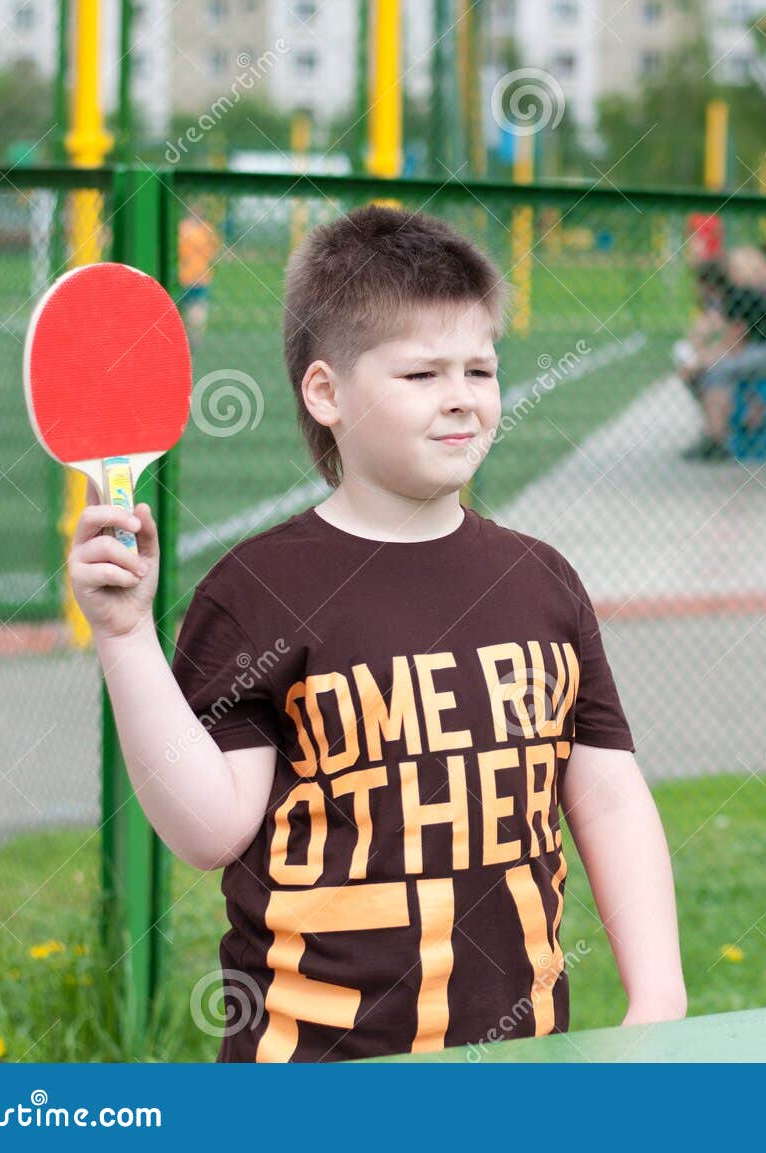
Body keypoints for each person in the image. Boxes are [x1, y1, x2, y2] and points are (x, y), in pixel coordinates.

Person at [66, 205, 686, 1061]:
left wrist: (658, 991)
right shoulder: (254, 593)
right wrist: (125, 634)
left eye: (480, 368)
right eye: (422, 373)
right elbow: (208, 831)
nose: (461, 396)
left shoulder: (542, 582)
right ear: (326, 393)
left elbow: (607, 795)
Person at [679, 247, 766, 462]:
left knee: (719, 372)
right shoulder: (731, 297)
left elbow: (734, 346)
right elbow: (720, 337)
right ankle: (724, 425)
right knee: (708, 373)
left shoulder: (742, 295)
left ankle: (718, 440)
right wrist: (701, 357)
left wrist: (701, 361)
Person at [176, 200, 220, 348]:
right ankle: (182, 339)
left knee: (197, 315)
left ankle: (193, 341)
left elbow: (214, 250)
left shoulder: (207, 229)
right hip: (182, 277)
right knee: (181, 313)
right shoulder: (181, 228)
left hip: (201, 278)